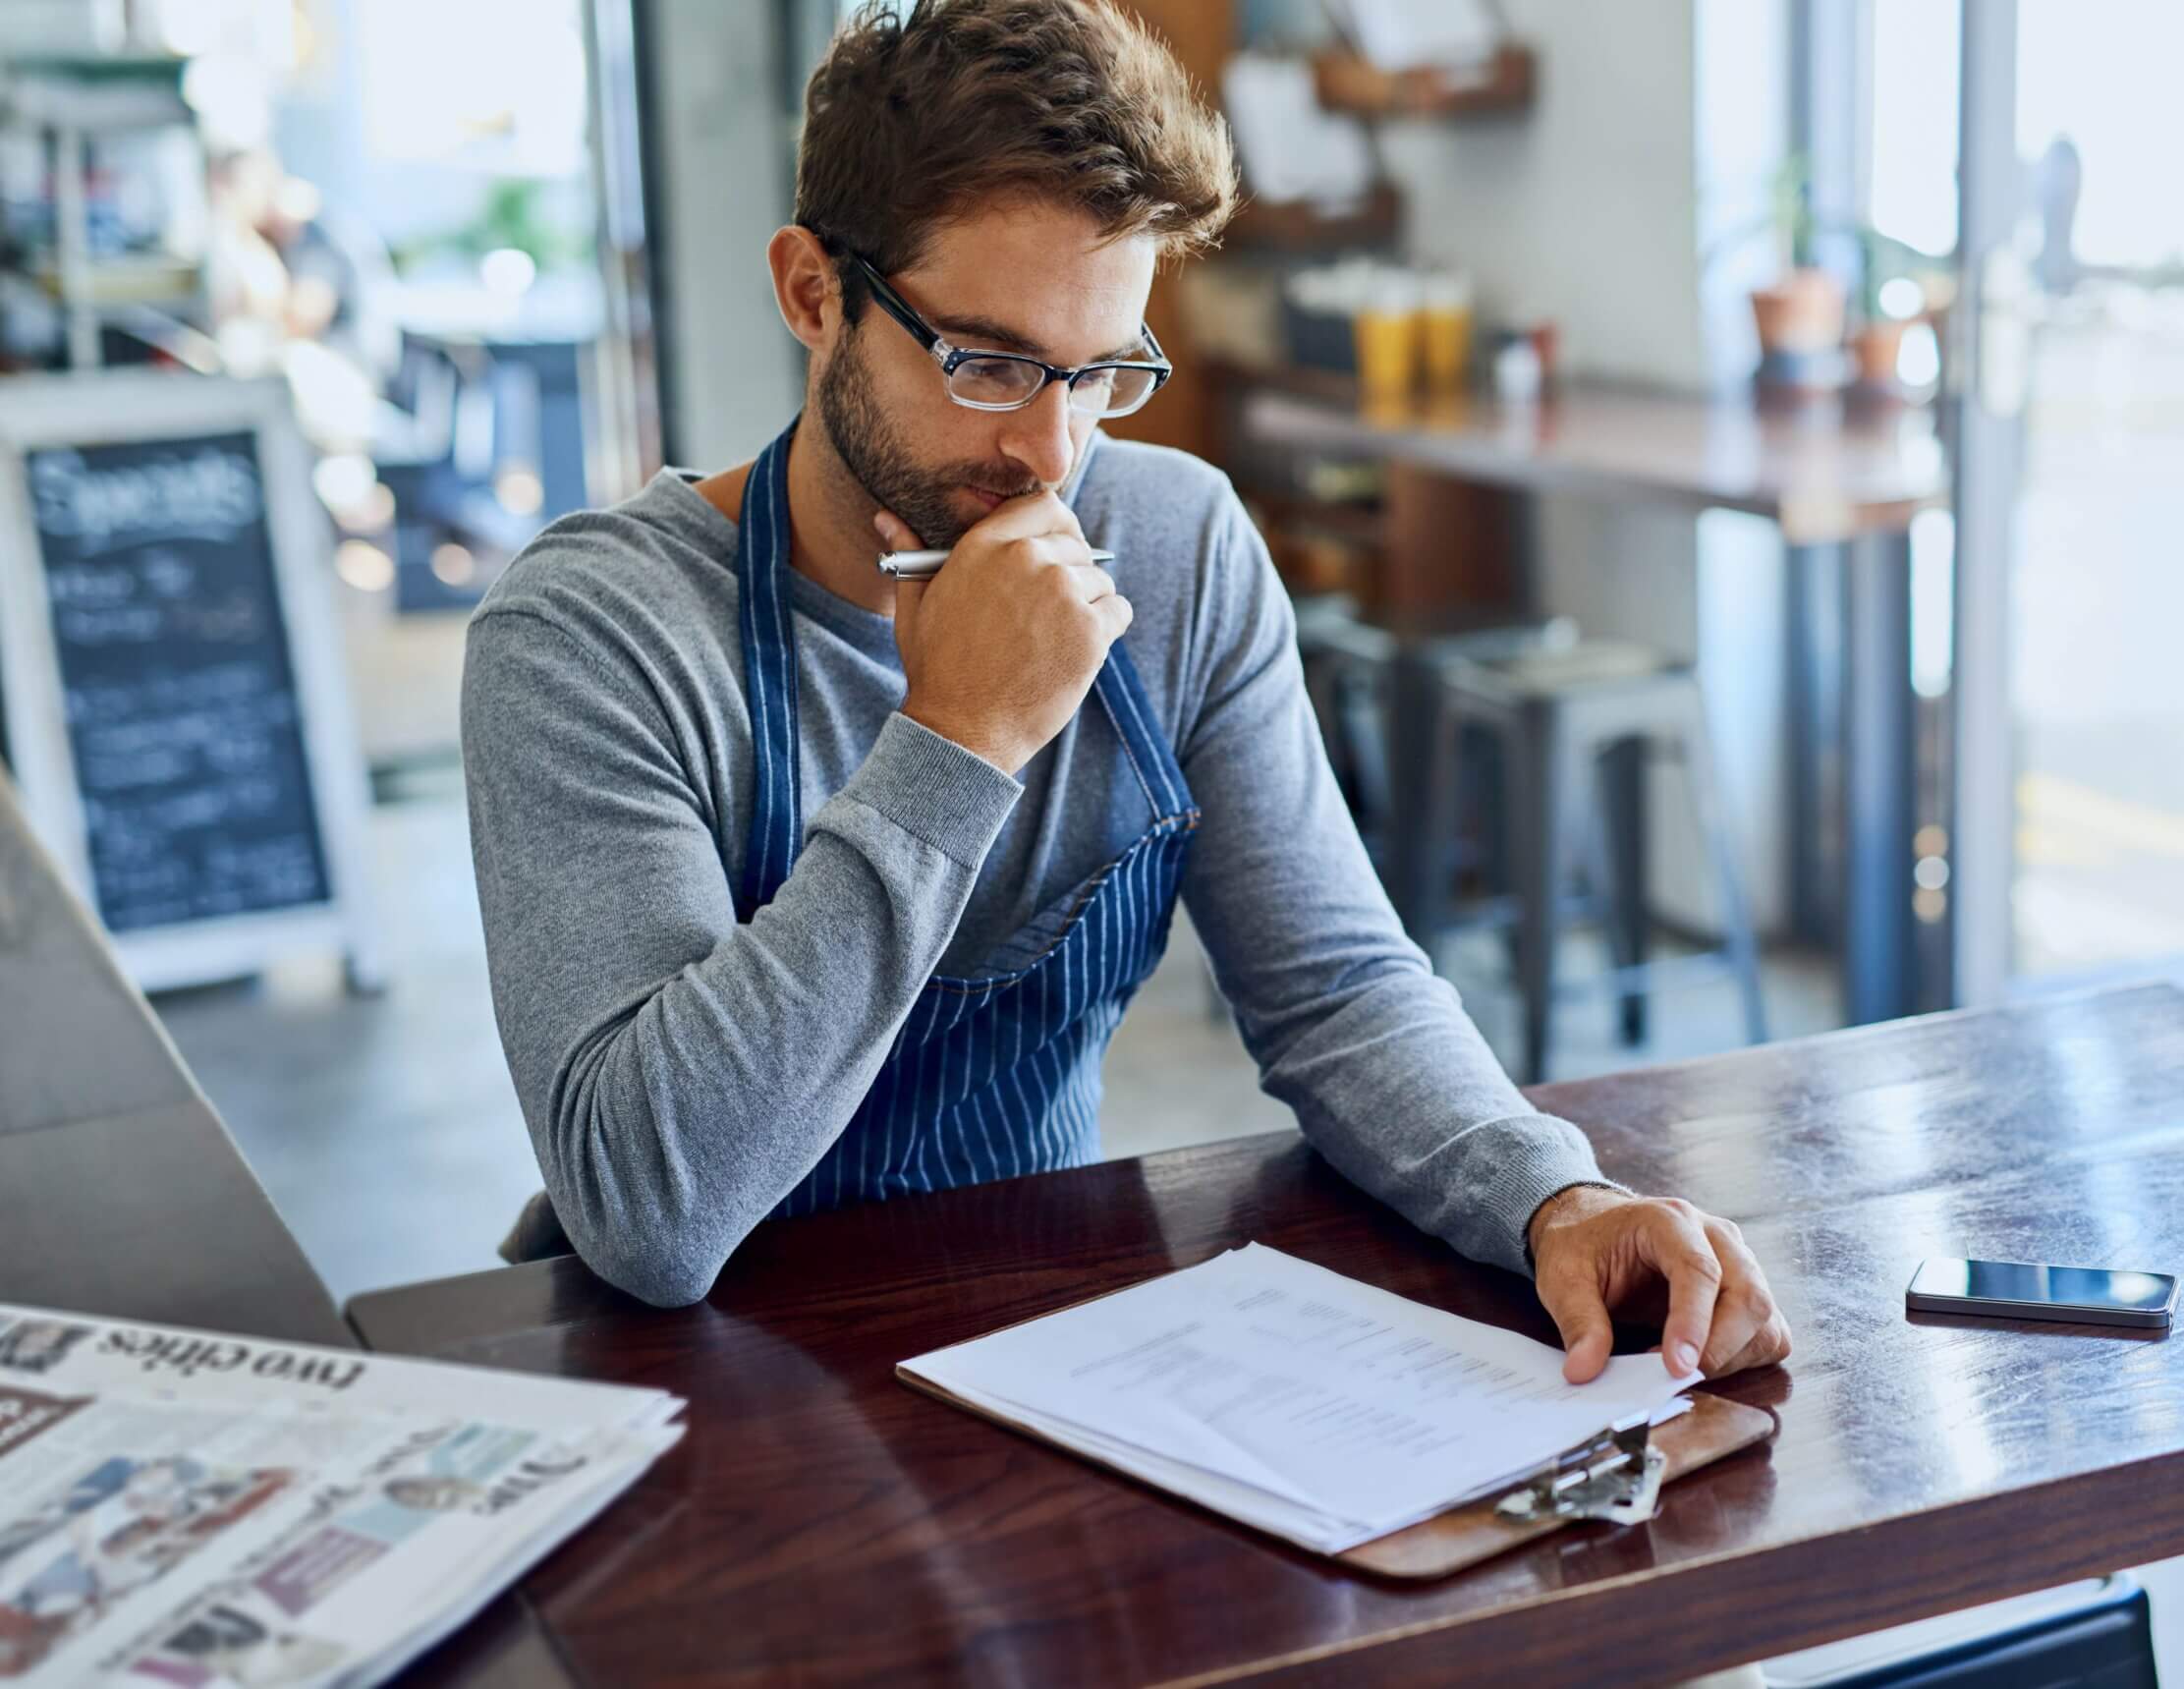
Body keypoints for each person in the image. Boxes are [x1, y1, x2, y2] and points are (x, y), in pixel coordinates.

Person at [463, 0, 1790, 1388]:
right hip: (694, 1395)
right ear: (812, 293)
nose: (1052, 449)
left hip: (1039, 1342)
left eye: (1104, 371)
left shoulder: (1177, 543)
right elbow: (652, 1218)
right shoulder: (589, 633)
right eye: (987, 361)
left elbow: (1334, 991)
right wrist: (958, 739)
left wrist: (1550, 1196)